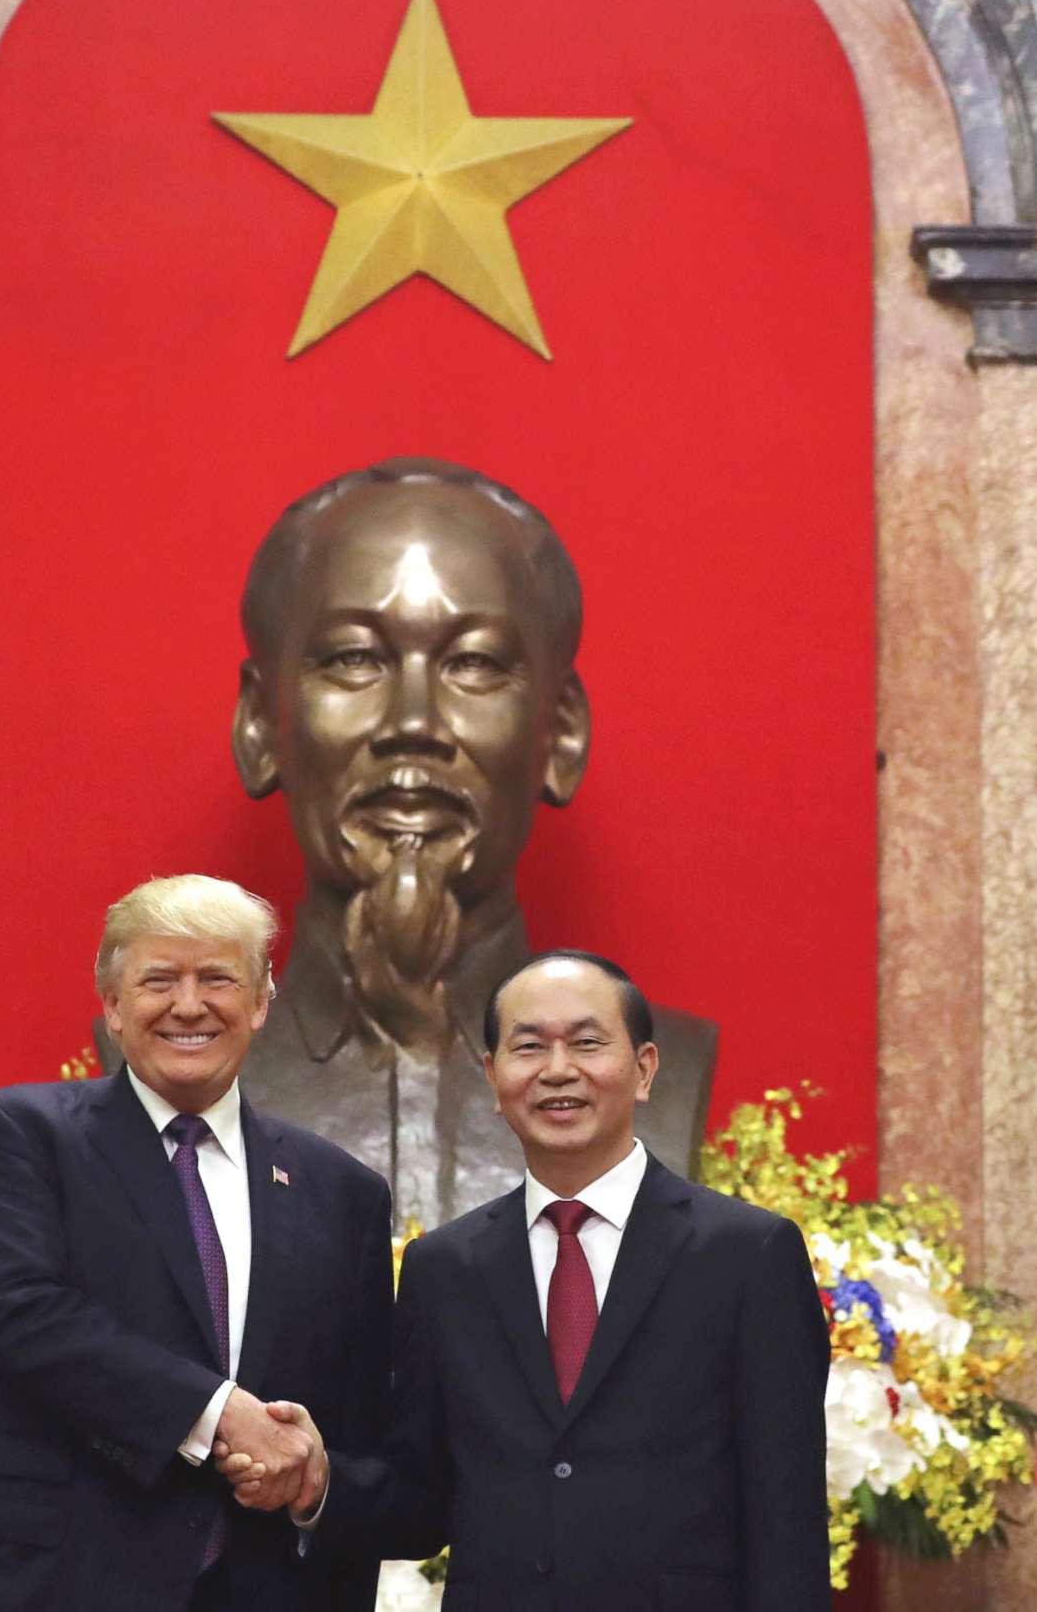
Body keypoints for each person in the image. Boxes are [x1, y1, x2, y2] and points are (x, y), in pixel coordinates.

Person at [227, 950, 830, 1612]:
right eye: (529, 1046)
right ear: (492, 1075)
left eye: (588, 1042)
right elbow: (422, 1503)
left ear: (645, 1068)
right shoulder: (445, 1267)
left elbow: (787, 1521)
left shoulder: (747, 1253)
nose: (558, 1069)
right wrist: (316, 1477)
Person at [228, 458, 718, 1225]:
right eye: (355, 659)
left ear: (560, 733)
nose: (413, 723)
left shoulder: (668, 1074)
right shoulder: (165, 1081)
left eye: (475, 664)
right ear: (260, 727)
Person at [0, 875, 394, 1612]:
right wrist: (216, 1412)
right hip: (54, 1586)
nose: (188, 1003)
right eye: (158, 979)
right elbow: (18, 1315)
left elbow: (365, 1421)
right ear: (112, 1004)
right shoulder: (22, 1137)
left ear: (262, 1000)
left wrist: (311, 1477)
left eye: (217, 977)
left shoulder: (343, 1192)